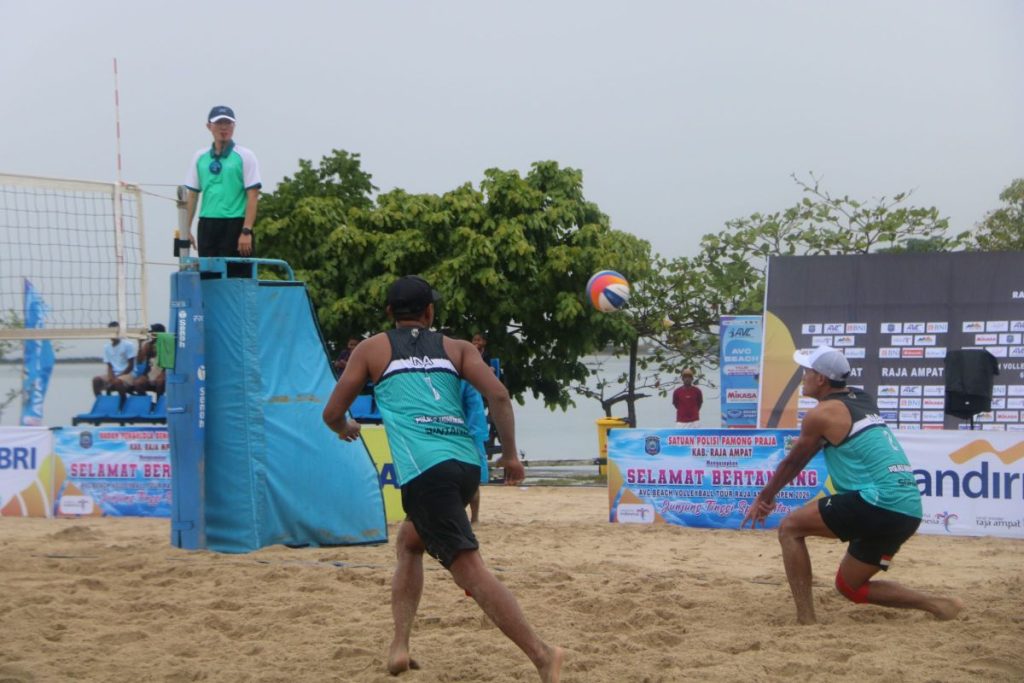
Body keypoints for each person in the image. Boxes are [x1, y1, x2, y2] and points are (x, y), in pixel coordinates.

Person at [323, 275, 563, 682]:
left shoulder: (371, 349)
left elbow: (331, 412)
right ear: (430, 312)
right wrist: (509, 455)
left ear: (389, 312)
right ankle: (400, 646)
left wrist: (345, 427)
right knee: (409, 541)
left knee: (470, 570)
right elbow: (499, 396)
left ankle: (543, 655)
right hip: (465, 466)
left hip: (426, 472)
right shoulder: (459, 348)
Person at [741, 345, 963, 625]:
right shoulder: (864, 400)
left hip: (879, 500)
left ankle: (806, 620)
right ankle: (939, 605)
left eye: (807, 372)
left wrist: (765, 498)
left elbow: (794, 462)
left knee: (790, 528)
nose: (803, 377)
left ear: (821, 378)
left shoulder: (822, 414)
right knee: (850, 587)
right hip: (907, 508)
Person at [184, 106, 262, 274]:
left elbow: (253, 195)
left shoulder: (245, 156)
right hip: (207, 224)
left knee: (237, 276)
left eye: (228, 123)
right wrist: (186, 229)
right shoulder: (200, 157)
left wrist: (246, 231)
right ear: (209, 126)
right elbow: (192, 195)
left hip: (235, 223)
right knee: (208, 276)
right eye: (219, 123)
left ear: (234, 126)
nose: (224, 127)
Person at [92, 321, 136, 398]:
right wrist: (111, 377)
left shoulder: (128, 345)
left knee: (117, 382)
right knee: (96, 380)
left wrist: (118, 376)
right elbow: (109, 366)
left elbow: (130, 366)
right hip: (114, 374)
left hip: (128, 374)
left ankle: (123, 401)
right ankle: (100, 401)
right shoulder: (106, 347)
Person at [132, 323, 167, 396]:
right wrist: (140, 344)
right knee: (138, 383)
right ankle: (145, 400)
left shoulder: (167, 345)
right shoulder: (148, 345)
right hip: (150, 372)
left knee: (160, 382)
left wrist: (163, 373)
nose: (151, 334)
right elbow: (139, 361)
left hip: (162, 372)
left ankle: (158, 400)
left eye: (154, 332)